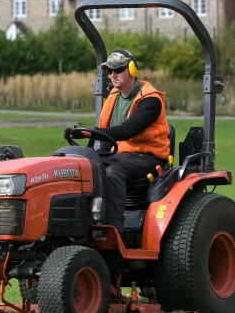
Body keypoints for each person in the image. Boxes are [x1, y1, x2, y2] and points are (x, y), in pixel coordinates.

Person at [64, 48, 170, 231]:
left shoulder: (150, 100)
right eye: (110, 71)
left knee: (113, 172)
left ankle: (114, 232)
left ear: (132, 70)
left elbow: (128, 130)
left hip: (148, 157)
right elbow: (107, 135)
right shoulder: (113, 96)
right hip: (121, 154)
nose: (113, 75)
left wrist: (89, 133)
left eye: (118, 70)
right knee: (79, 166)